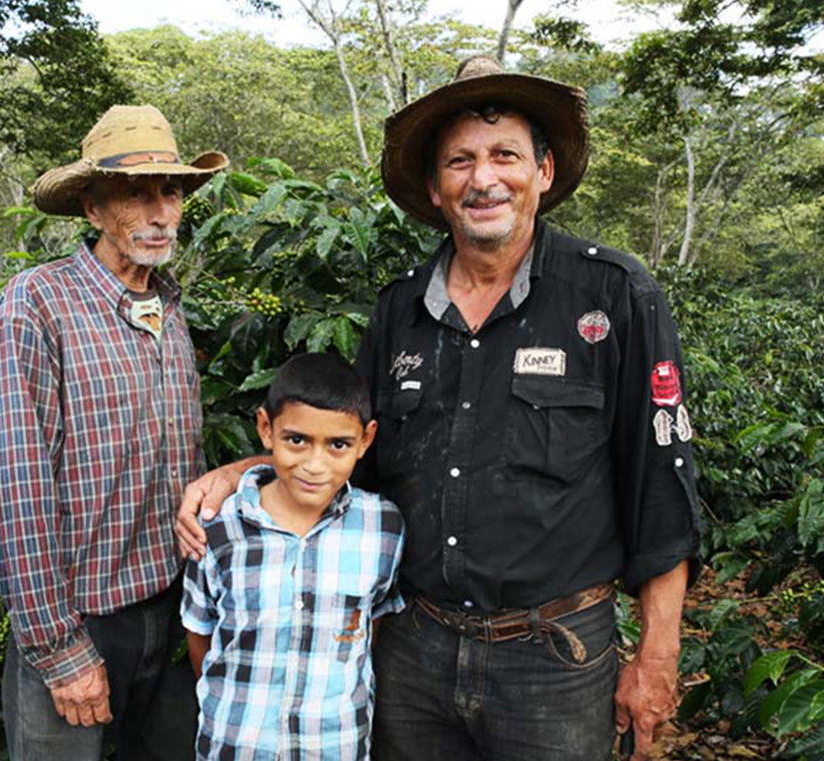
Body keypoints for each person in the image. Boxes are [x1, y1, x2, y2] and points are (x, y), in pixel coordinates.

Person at [176, 56, 701, 761]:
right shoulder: (400, 308)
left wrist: (656, 657)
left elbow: (659, 486)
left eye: (504, 155)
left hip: (553, 657)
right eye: (459, 161)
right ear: (434, 186)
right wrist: (246, 465)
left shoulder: (611, 294)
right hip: (412, 650)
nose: (483, 178)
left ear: (542, 173)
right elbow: (346, 444)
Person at [0, 104, 228, 760]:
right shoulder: (38, 302)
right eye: (133, 193)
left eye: (170, 191)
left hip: (174, 612)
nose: (158, 211)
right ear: (92, 208)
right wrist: (58, 649)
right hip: (81, 619)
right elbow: (18, 485)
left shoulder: (170, 308)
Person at [180, 353, 405, 760]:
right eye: (297, 440)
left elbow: (374, 626)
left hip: (334, 745)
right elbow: (200, 634)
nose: (314, 465)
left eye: (338, 445)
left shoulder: (382, 528)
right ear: (266, 429)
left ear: (366, 440)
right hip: (237, 743)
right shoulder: (218, 528)